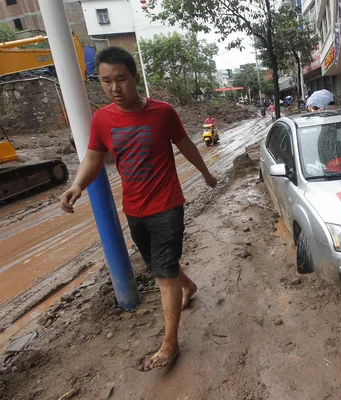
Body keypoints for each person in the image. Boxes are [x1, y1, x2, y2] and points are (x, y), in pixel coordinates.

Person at [59, 47, 217, 371]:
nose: (114, 88)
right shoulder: (102, 120)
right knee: (160, 265)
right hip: (133, 209)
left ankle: (169, 344)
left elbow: (186, 144)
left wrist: (205, 172)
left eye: (121, 79)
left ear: (135, 77)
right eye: (106, 81)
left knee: (162, 273)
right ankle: (188, 286)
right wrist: (77, 185)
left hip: (167, 205)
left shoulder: (163, 113)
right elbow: (93, 158)